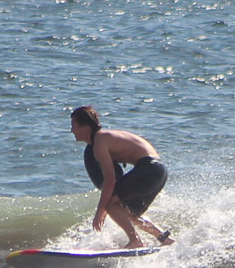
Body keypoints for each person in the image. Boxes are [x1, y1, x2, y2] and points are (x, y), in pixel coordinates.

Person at [70, 106, 174, 248]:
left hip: (149, 169)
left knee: (110, 204)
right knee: (128, 211)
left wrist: (100, 211)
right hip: (159, 171)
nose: (72, 131)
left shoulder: (99, 142)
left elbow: (110, 179)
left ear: (84, 126)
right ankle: (164, 238)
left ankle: (135, 241)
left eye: (73, 126)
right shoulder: (105, 137)